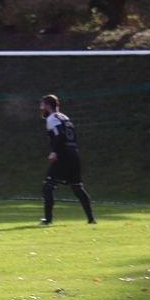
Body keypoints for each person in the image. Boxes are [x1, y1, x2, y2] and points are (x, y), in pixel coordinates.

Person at [39, 94, 96, 225]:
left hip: (63, 155)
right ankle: (91, 218)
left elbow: (60, 135)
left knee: (48, 186)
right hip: (73, 154)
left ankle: (48, 220)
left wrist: (54, 152)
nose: (40, 108)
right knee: (77, 187)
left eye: (42, 104)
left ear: (48, 105)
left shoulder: (52, 118)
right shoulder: (65, 117)